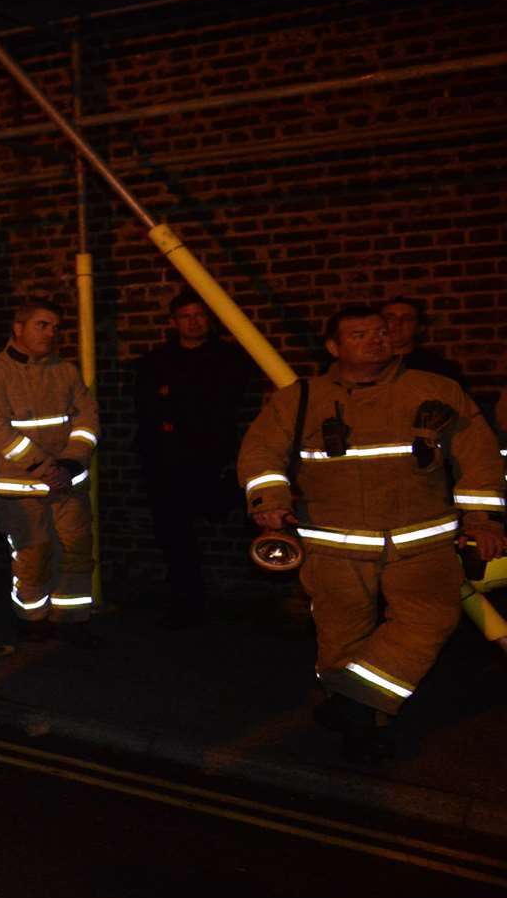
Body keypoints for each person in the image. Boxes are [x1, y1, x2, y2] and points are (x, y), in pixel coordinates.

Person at [238, 305, 504, 762]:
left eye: (382, 332)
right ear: (334, 347)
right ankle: (364, 731)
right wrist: (270, 499)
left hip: (422, 540)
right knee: (341, 638)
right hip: (334, 543)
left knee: (431, 619)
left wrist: (483, 519)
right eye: (360, 334)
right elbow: (260, 453)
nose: (377, 340)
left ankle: (352, 706)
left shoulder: (435, 390)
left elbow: (479, 457)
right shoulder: (300, 398)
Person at [0, 298, 100, 650]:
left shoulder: (65, 371)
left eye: (55, 326)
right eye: (42, 325)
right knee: (33, 555)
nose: (51, 333)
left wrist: (71, 463)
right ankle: (32, 622)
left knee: (77, 550)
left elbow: (87, 419)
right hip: (18, 486)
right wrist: (47, 467)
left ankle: (71, 621)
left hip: (66, 482)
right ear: (18, 328)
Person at [134, 291, 254, 627]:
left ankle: (244, 597)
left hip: (216, 457)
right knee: (175, 534)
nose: (193, 321)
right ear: (174, 322)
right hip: (169, 460)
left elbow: (234, 404)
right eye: (186, 316)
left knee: (228, 518)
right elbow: (147, 408)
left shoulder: (229, 359)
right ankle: (186, 601)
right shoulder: (158, 361)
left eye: (199, 315)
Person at [380, 297, 467, 395]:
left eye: (407, 319)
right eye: (390, 318)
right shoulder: (365, 365)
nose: (398, 323)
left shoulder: (440, 368)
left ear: (419, 328)